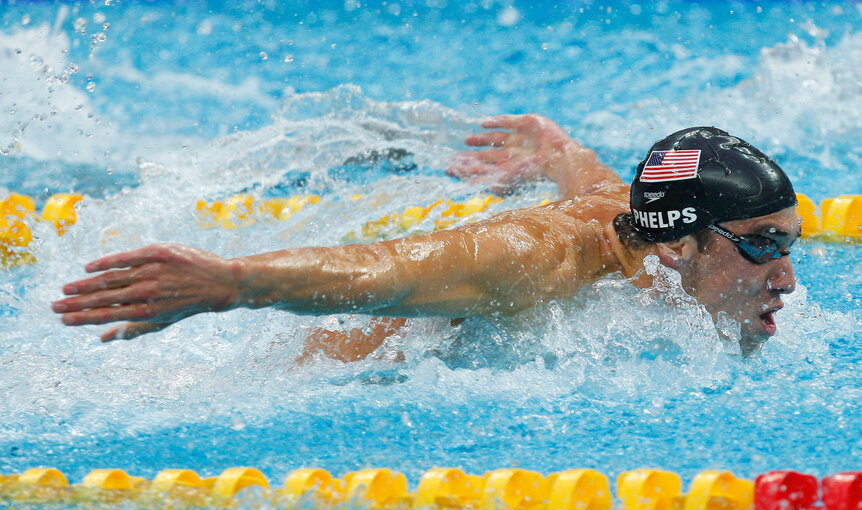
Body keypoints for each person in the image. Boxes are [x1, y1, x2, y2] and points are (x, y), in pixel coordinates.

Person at [52, 115, 800, 356]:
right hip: (326, 369)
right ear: (681, 243)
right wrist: (234, 284)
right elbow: (389, 267)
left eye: (790, 243)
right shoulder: (538, 257)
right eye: (763, 244)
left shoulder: (638, 222)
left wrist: (555, 151)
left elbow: (598, 181)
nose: (788, 277)